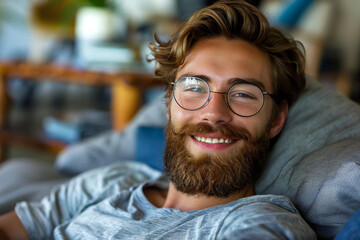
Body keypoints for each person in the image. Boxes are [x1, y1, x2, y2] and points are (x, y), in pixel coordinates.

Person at [0, 1, 316, 239]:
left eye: (244, 94)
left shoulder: (261, 225)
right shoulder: (113, 181)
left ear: (276, 119)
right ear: (168, 103)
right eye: (194, 87)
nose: (214, 113)